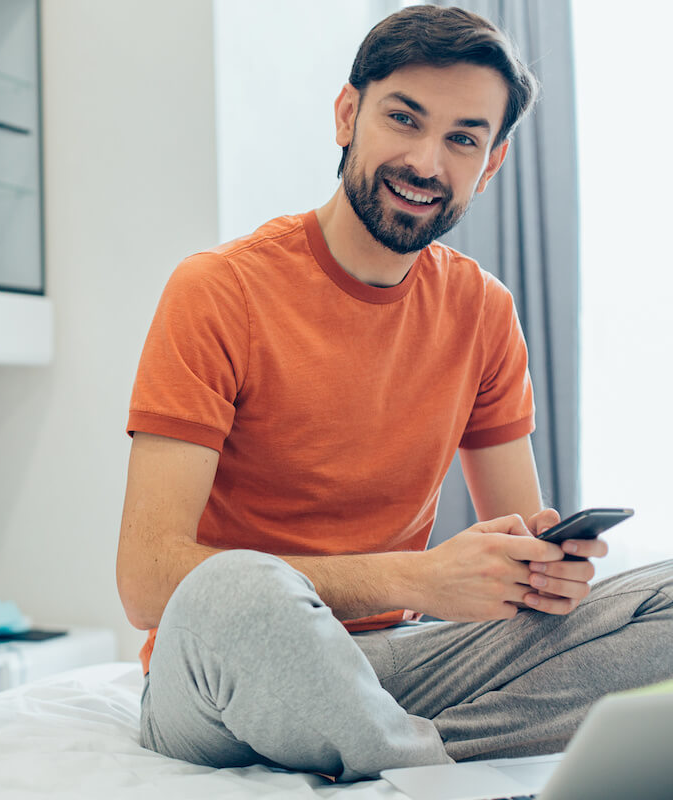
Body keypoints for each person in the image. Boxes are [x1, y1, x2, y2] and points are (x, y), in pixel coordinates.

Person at [116, 4, 673, 782]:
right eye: (403, 119)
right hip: (225, 674)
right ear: (348, 114)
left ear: (493, 163)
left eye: (462, 139)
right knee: (234, 592)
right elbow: (147, 583)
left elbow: (515, 532)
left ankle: (396, 747)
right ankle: (429, 769)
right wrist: (417, 579)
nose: (426, 162)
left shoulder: (483, 311)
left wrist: (541, 570)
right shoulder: (219, 290)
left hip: (390, 665)